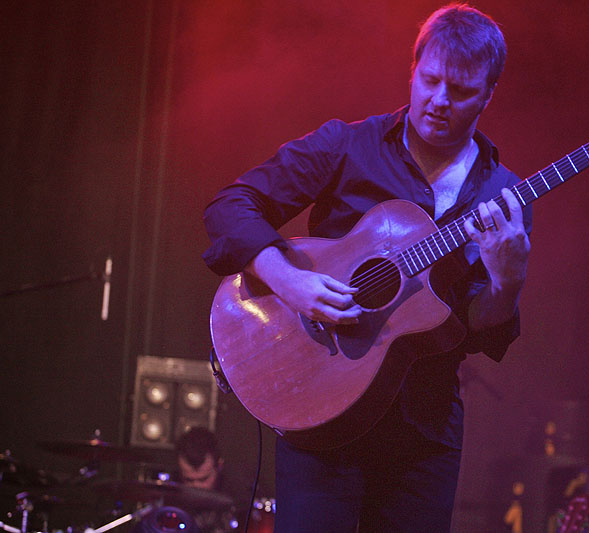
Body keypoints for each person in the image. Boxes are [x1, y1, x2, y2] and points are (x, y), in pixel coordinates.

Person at [203, 4, 532, 531]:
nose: (440, 101)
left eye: (462, 91)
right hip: (318, 406)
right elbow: (230, 208)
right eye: (430, 80)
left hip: (422, 432)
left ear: (489, 94)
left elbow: (478, 327)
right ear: (414, 67)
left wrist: (508, 281)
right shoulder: (348, 146)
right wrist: (291, 282)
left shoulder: (502, 197)